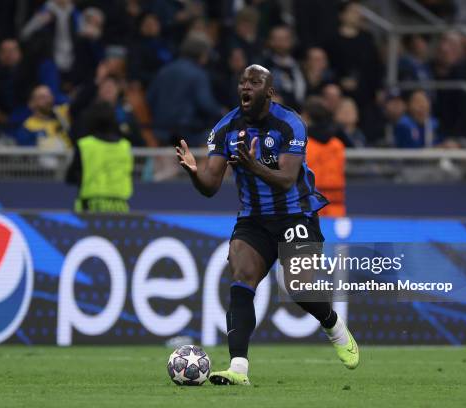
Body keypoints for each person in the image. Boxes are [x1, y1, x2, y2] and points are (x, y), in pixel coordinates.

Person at [175, 65, 359, 386]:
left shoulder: (290, 124)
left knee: (298, 286)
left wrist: (252, 165)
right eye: (242, 81)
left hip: (297, 213)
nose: (246, 87)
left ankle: (333, 325)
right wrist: (193, 172)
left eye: (255, 82)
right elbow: (210, 186)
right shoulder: (225, 128)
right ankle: (238, 369)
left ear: (269, 92)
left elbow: (287, 180)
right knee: (241, 280)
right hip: (254, 219)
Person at [66, 101, 133, 213]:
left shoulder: (85, 145)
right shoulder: (125, 146)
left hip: (90, 206)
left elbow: (71, 177)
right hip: (120, 207)